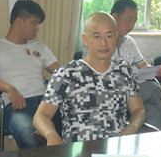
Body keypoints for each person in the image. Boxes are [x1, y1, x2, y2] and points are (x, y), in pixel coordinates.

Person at [33, 12, 146, 145]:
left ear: (116, 37)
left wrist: (132, 127)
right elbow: (41, 116)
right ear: (85, 39)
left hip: (116, 148)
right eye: (97, 36)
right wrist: (51, 134)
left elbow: (138, 110)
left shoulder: (124, 71)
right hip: (77, 151)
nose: (103, 43)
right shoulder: (67, 74)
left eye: (109, 36)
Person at [0, 0, 61, 149]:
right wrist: (9, 88)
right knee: (33, 143)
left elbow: (62, 73)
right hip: (18, 106)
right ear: (18, 21)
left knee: (72, 134)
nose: (37, 29)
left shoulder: (39, 47)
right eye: (34, 23)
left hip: (46, 103)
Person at [82, 0, 161, 130]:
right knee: (153, 87)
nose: (131, 26)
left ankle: (149, 140)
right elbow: (91, 72)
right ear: (115, 17)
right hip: (107, 91)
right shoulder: (96, 42)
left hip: (130, 90)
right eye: (128, 20)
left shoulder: (129, 42)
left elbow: (143, 66)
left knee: (153, 111)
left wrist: (154, 70)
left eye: (134, 22)